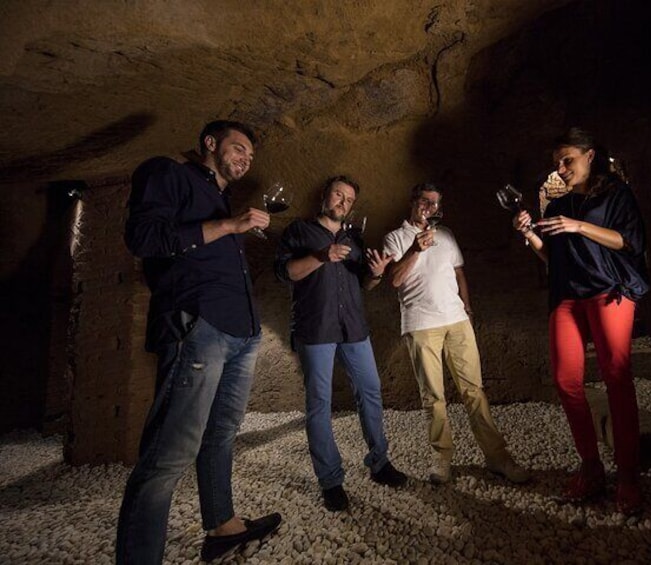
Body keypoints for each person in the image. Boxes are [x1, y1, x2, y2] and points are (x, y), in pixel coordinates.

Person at [118, 121, 282, 563]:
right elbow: (144, 239)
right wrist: (229, 226)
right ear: (210, 144)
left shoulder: (219, 196)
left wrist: (229, 224)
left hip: (240, 333)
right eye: (238, 147)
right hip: (198, 328)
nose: (245, 158)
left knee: (222, 434)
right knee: (168, 455)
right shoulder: (167, 174)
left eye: (250, 154)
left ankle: (223, 527)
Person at [513, 127, 650, 515]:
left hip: (609, 292)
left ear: (590, 155)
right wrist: (530, 236)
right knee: (565, 380)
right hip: (568, 296)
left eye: (567, 159)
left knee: (616, 378)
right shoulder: (556, 208)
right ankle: (591, 468)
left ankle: (628, 476)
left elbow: (629, 241)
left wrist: (580, 226)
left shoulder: (616, 195)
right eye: (557, 162)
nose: (560, 167)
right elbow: (553, 260)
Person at [381, 183, 530, 485]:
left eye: (435, 204)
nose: (430, 208)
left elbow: (459, 272)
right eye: (425, 201)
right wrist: (415, 249)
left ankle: (498, 457)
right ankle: (442, 459)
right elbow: (394, 280)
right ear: (413, 202)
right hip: (421, 325)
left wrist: (468, 309)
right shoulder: (395, 238)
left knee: (474, 391)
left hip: (457, 321)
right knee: (433, 397)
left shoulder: (446, 235)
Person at [275, 175, 407, 512]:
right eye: (338, 194)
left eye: (349, 199)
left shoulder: (355, 237)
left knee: (371, 392)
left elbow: (367, 284)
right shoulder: (299, 232)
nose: (343, 202)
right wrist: (321, 256)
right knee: (319, 403)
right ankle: (331, 481)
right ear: (325, 196)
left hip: (354, 329)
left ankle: (379, 464)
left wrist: (376, 272)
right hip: (315, 328)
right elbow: (287, 273)